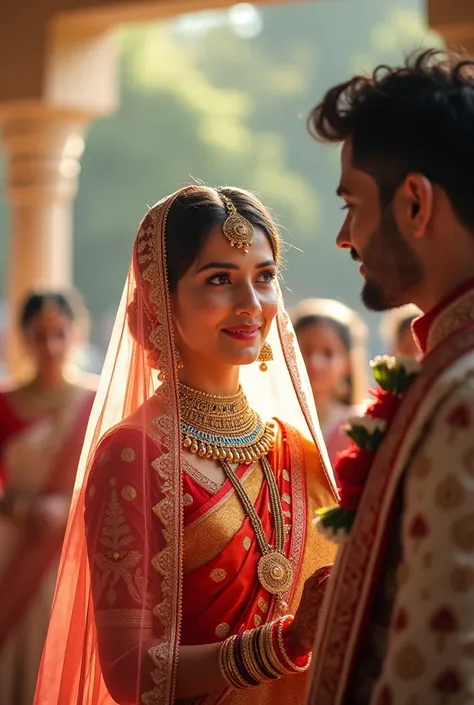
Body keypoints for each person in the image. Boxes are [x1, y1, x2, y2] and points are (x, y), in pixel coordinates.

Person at [34, 185, 337, 705]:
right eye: (219, 279)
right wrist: (286, 641)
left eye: (264, 278)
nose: (252, 304)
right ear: (159, 302)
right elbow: (129, 672)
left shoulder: (297, 451)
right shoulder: (133, 455)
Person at [304, 49, 474, 705]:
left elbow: (438, 672)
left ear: (414, 204)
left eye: (353, 204)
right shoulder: (445, 367)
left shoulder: (460, 394)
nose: (346, 236)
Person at [0, 290, 96, 705]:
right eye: (40, 335)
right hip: (12, 546)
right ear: (23, 337)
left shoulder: (97, 402)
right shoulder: (4, 404)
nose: (51, 346)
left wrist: (68, 507)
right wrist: (22, 508)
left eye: (60, 333)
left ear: (78, 333)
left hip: (75, 546)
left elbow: (113, 480)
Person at [291, 298, 367, 466]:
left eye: (328, 353)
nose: (315, 362)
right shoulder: (270, 423)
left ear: (348, 362)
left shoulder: (361, 426)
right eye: (305, 351)